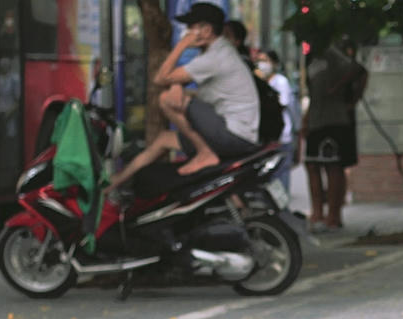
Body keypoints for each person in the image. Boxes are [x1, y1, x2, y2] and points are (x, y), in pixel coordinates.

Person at [107, 2, 259, 191]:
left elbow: (160, 78)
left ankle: (204, 153)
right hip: (230, 131)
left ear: (206, 30)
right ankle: (115, 182)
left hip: (233, 134)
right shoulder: (218, 52)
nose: (186, 31)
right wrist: (177, 85)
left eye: (191, 27)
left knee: (166, 99)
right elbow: (192, 88)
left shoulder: (214, 57)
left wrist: (182, 45)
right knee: (164, 138)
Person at [300, 39, 367, 231]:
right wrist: (306, 120)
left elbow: (359, 71)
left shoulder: (331, 52)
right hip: (315, 119)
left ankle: (333, 216)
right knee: (312, 164)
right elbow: (313, 93)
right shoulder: (310, 58)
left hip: (335, 119)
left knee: (333, 165)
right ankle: (317, 213)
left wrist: (345, 94)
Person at [256, 49, 296, 192]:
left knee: (281, 173)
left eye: (265, 60)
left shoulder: (281, 82)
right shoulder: (259, 82)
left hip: (282, 136)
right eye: (259, 61)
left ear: (274, 63)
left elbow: (282, 105)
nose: (261, 64)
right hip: (266, 136)